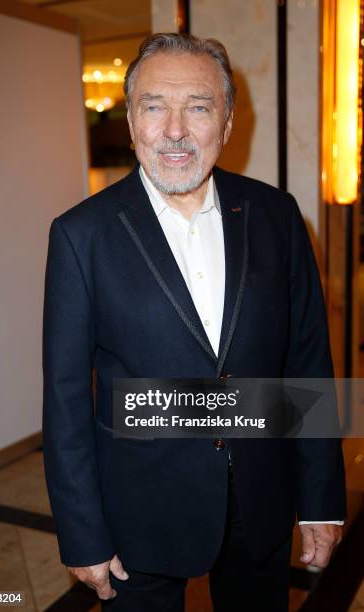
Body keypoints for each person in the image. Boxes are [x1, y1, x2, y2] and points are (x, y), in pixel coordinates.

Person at [42, 33, 346, 611]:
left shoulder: (277, 216)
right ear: (132, 121)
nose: (175, 130)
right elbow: (64, 398)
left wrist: (321, 500)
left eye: (198, 107)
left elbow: (306, 363)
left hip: (259, 501)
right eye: (154, 106)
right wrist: (82, 532)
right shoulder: (81, 235)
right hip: (136, 514)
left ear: (227, 122)